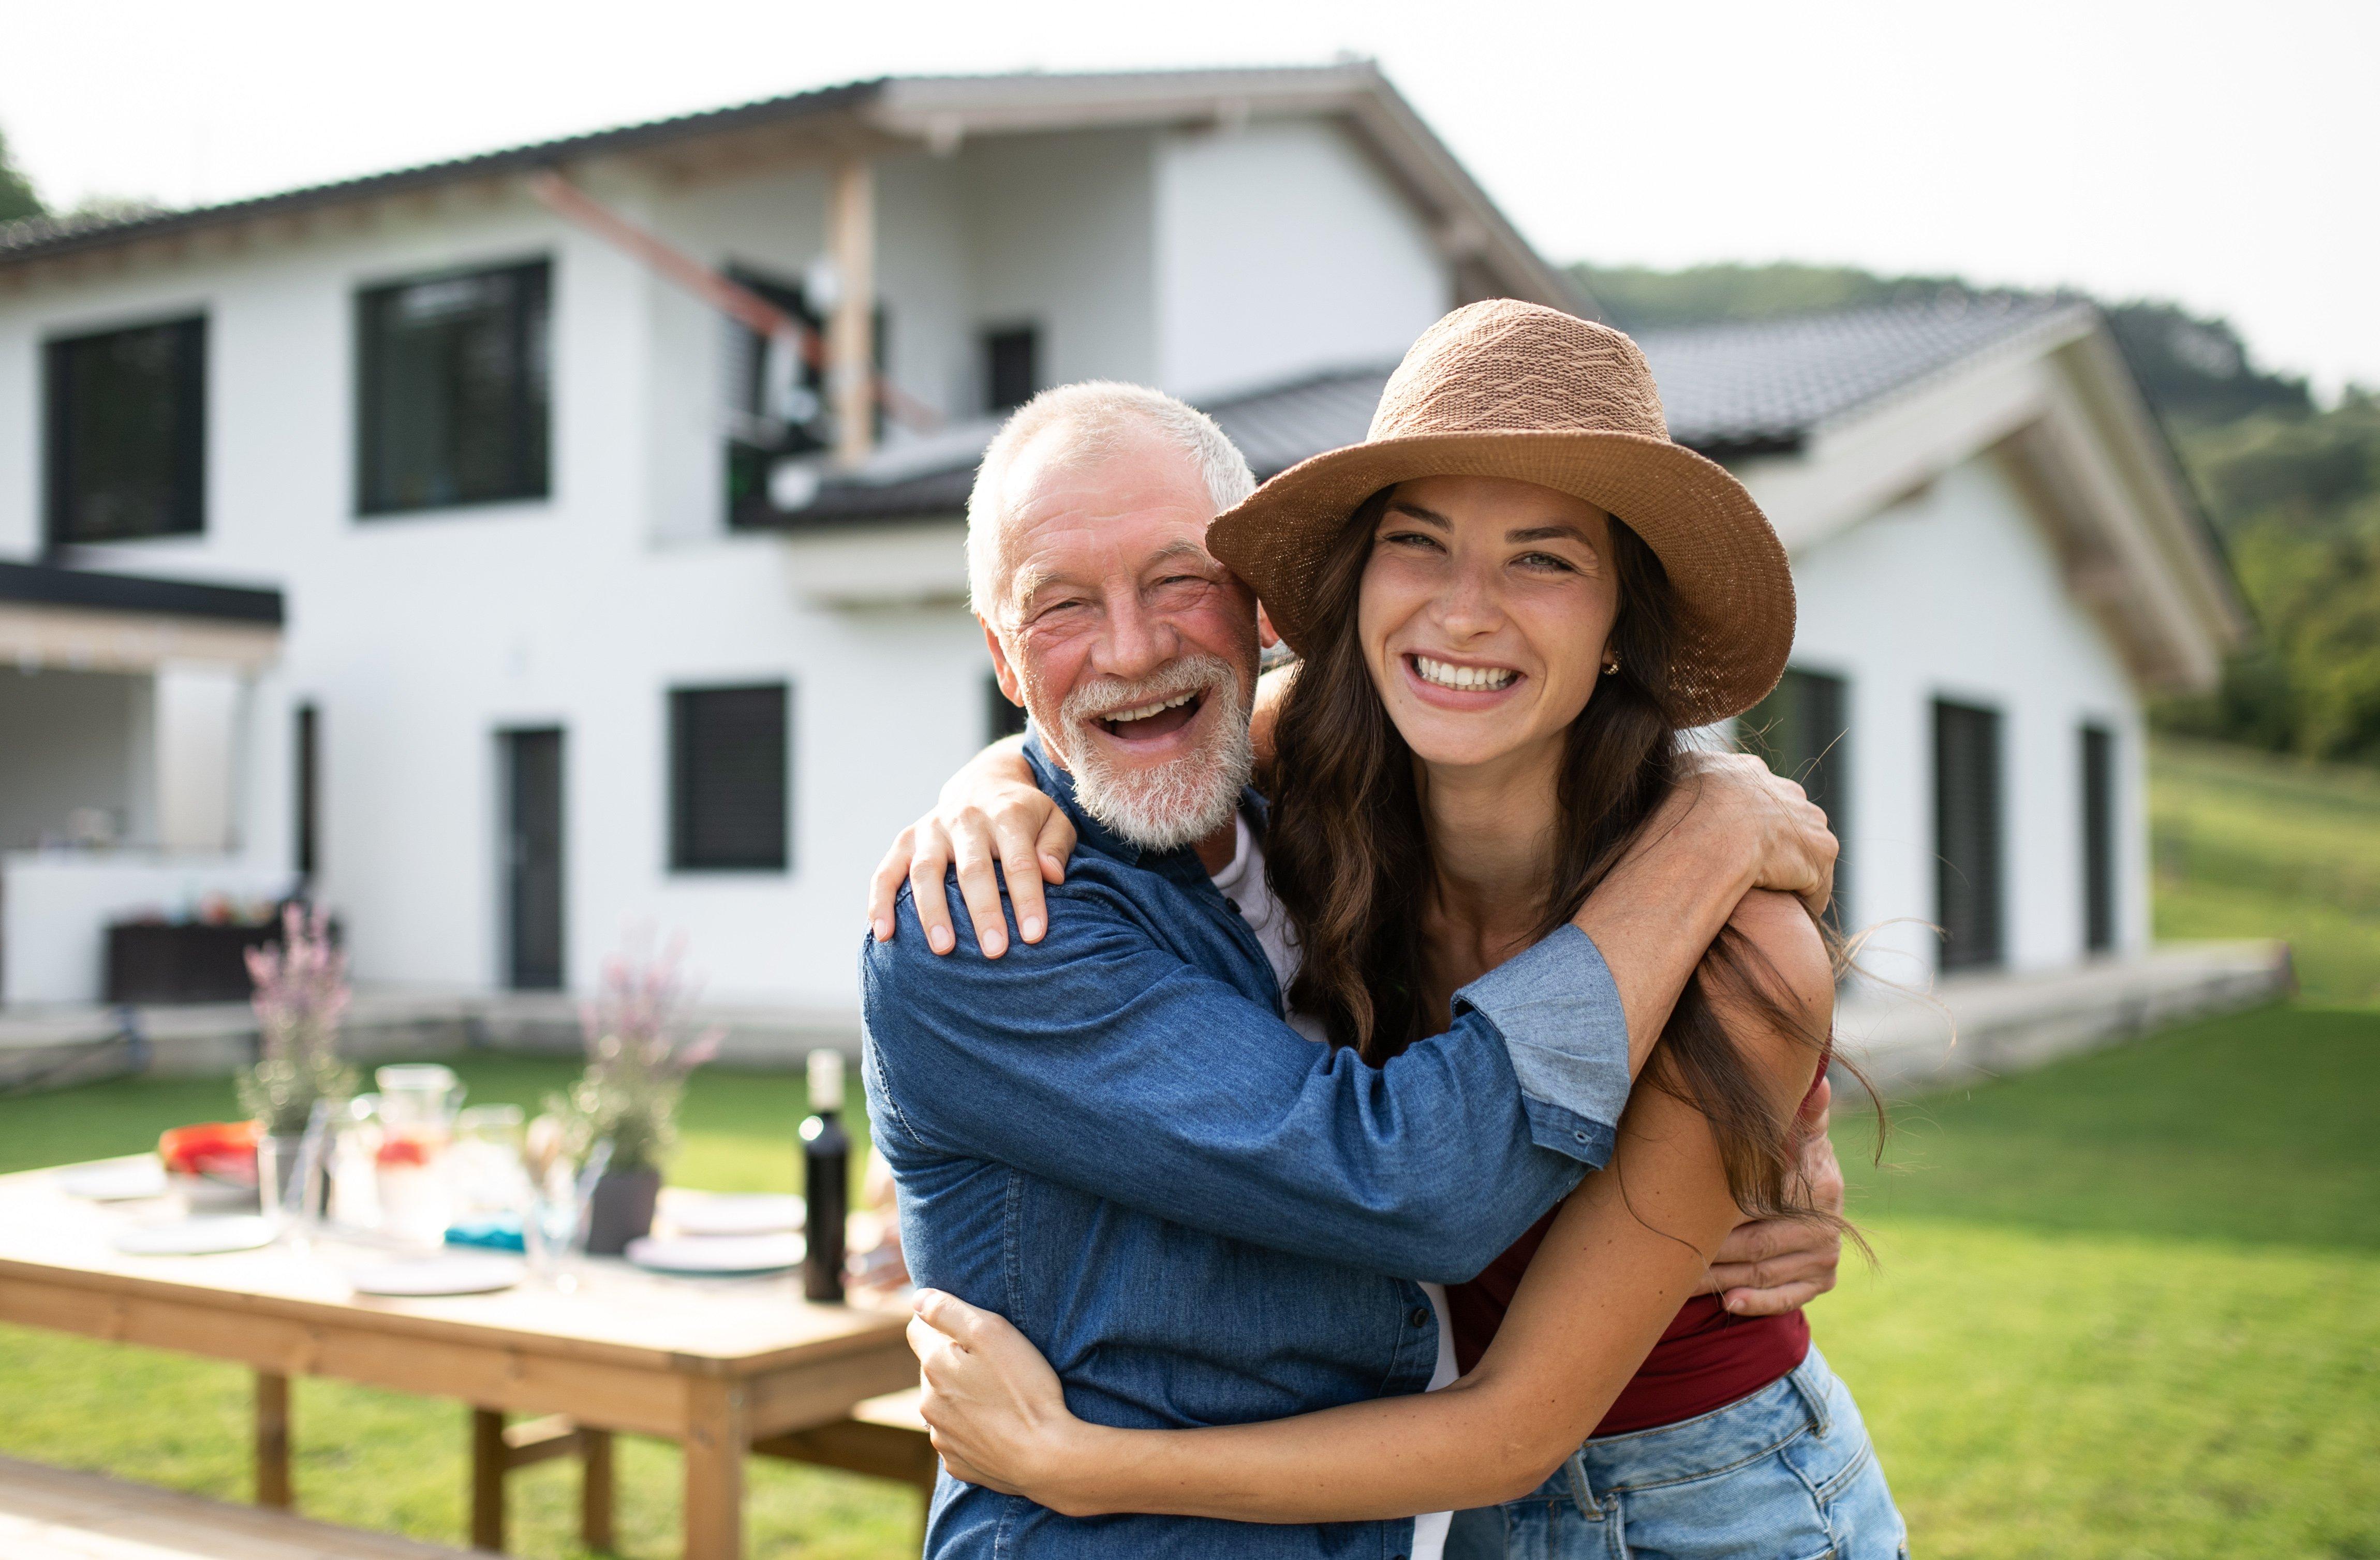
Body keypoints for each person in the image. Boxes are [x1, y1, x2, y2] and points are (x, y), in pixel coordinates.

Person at [889, 301, 1906, 1557]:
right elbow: (1117, 719)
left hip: (1705, 1504)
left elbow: (1513, 1423)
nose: (1464, 612)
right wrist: (982, 789)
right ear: (1353, 585)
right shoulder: (1317, 781)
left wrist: (1082, 1466)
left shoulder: (1736, 951)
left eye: (1543, 559)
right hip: (1440, 1516)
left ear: (1616, 630)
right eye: (1418, 544)